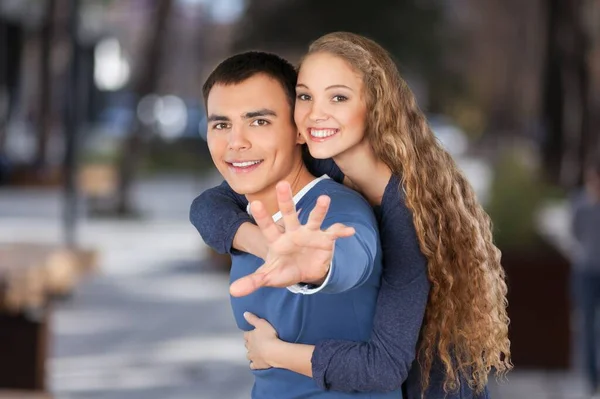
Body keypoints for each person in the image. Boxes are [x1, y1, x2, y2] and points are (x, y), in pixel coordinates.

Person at [191, 32, 512, 398]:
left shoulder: (408, 216)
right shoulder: (321, 158)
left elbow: (382, 367)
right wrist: (264, 244)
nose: (315, 114)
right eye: (305, 97)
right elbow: (209, 205)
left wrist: (274, 352)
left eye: (338, 97)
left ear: (375, 106)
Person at [201, 50, 402, 399]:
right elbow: (204, 207)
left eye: (259, 121)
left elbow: (353, 252)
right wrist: (261, 243)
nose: (236, 142)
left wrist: (320, 268)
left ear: (299, 130)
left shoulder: (334, 209)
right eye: (221, 124)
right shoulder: (247, 215)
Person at [572, 158, 600, 397]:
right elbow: (575, 232)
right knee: (587, 325)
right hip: (586, 272)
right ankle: (591, 378)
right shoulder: (581, 204)